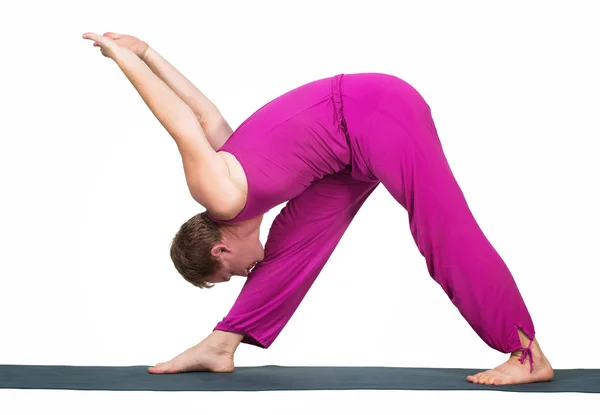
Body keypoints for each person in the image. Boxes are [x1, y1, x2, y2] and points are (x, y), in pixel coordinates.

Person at [82, 31, 554, 386]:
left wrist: (128, 59)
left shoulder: (220, 194)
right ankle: (221, 345)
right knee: (293, 243)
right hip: (348, 150)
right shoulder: (237, 179)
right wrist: (149, 52)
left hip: (375, 110)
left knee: (440, 227)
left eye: (229, 275)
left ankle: (525, 353)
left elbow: (183, 122)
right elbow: (207, 114)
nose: (246, 274)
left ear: (221, 251)